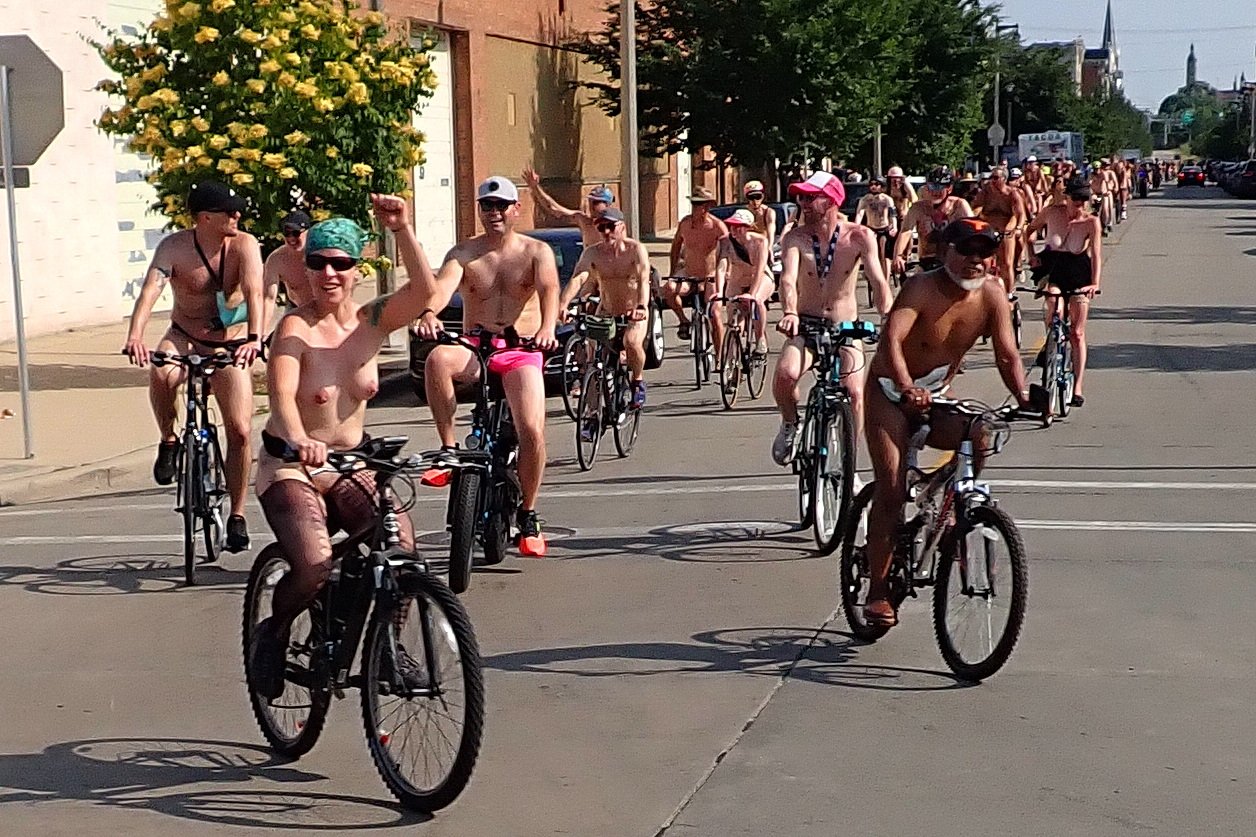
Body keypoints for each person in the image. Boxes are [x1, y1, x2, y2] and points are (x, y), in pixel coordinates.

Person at [249, 197, 457, 698]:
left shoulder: (373, 321)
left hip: (353, 461)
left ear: (356, 270)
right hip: (291, 465)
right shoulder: (294, 328)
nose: (328, 273)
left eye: (340, 264)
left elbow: (428, 292)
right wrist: (300, 440)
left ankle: (386, 647)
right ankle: (272, 633)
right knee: (316, 563)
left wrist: (403, 229)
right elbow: (280, 398)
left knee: (401, 547)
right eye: (318, 263)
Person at [863, 218, 1035, 626]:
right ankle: (877, 590)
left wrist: (1026, 396)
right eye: (965, 251)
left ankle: (957, 508)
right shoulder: (921, 286)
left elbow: (1008, 355)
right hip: (891, 392)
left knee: (979, 433)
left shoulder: (992, 295)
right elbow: (891, 340)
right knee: (890, 490)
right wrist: (906, 387)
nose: (975, 260)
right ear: (945, 252)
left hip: (936, 394)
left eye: (984, 253)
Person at [414, 176, 560, 556]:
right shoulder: (464, 253)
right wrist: (429, 311)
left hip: (520, 349)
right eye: (486, 206)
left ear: (516, 209)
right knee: (436, 360)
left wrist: (546, 328)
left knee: (531, 429)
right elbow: (443, 287)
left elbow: (549, 292)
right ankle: (448, 449)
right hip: (476, 347)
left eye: (500, 205)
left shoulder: (535, 251)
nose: (493, 212)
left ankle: (528, 514)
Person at [123, 180, 263, 552]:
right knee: (162, 371)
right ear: (204, 217)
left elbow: (253, 290)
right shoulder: (175, 247)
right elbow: (151, 289)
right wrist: (135, 335)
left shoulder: (245, 246)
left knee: (240, 430)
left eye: (237, 210)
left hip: (230, 342)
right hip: (185, 333)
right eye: (229, 211)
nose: (237, 216)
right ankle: (169, 439)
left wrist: (255, 337)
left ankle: (237, 515)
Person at [770, 171, 893, 465]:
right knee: (786, 375)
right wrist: (789, 313)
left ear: (833, 200)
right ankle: (790, 423)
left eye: (812, 197)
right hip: (806, 323)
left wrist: (887, 316)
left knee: (854, 392)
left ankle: (849, 464)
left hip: (845, 328)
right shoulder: (795, 238)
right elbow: (787, 280)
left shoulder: (860, 236)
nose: (804, 203)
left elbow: (878, 281)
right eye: (802, 197)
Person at [558, 207, 652, 409]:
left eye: (611, 226)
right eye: (602, 228)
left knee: (631, 341)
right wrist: (563, 304)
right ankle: (592, 415)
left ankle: (637, 381)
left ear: (622, 227)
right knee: (594, 361)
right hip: (607, 311)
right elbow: (578, 278)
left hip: (634, 310)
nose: (606, 232)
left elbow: (644, 280)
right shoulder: (593, 253)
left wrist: (642, 306)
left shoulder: (635, 250)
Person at [1022, 178, 1102, 406]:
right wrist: (1032, 255)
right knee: (1053, 305)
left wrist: (1094, 283)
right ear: (1066, 197)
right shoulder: (1051, 212)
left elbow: (1096, 254)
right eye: (1075, 199)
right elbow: (1028, 231)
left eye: (1083, 200)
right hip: (1054, 266)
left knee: (1077, 333)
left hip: (1078, 270)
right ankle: (1051, 342)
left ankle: (1077, 386)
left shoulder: (1091, 222)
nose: (1079, 204)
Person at [662, 187, 729, 341]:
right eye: (694, 204)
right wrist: (672, 272)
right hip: (689, 273)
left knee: (715, 315)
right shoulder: (685, 223)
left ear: (707, 206)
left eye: (699, 204)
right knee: (669, 289)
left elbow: (728, 250)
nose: (696, 208)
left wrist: (726, 272)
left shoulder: (717, 226)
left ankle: (719, 359)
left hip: (710, 275)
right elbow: (676, 246)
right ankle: (683, 320)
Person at [893, 166, 973, 274]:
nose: (935, 191)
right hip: (927, 261)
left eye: (940, 187)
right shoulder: (918, 208)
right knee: (912, 285)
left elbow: (973, 229)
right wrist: (898, 256)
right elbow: (906, 231)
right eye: (932, 186)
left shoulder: (959, 205)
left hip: (954, 260)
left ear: (949, 188)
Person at [714, 208, 773, 357]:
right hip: (737, 279)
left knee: (757, 301)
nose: (734, 229)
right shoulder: (725, 241)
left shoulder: (760, 241)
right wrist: (719, 292)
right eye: (732, 225)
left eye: (738, 226)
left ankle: (760, 340)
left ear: (748, 227)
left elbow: (760, 268)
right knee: (733, 313)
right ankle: (732, 357)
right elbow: (721, 267)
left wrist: (751, 294)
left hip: (761, 278)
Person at [522, 166, 615, 246]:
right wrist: (535, 187)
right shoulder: (584, 221)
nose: (591, 207)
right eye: (590, 202)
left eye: (596, 203)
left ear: (607, 205)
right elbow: (554, 209)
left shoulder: (617, 226)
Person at [971, 165, 1027, 295]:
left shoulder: (1012, 193)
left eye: (996, 178)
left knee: (1006, 263)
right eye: (991, 177)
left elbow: (1020, 214)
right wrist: (974, 218)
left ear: (1004, 178)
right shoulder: (985, 192)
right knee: (981, 260)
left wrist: (1018, 227)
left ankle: (1009, 293)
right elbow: (976, 207)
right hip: (988, 228)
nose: (992, 180)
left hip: (1006, 227)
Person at [262, 210, 313, 331]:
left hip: (326, 311)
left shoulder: (321, 254)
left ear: (309, 232)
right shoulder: (277, 259)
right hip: (296, 309)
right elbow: (268, 298)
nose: (291, 238)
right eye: (287, 233)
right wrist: (258, 334)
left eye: (295, 233)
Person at [853, 176, 897, 282]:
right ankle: (873, 277)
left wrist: (894, 226)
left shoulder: (887, 199)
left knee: (884, 256)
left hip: (884, 229)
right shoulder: (865, 199)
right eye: (871, 184)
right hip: (871, 229)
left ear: (881, 186)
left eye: (876, 184)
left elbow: (892, 215)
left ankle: (885, 281)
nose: (873, 187)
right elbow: (859, 214)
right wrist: (856, 227)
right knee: (872, 255)